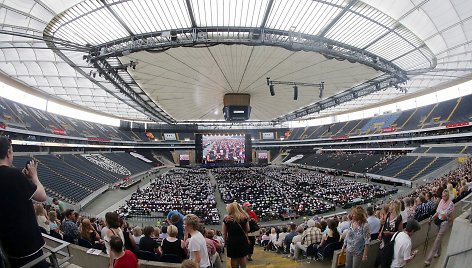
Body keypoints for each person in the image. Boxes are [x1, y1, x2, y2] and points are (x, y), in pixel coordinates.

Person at [0, 136, 48, 268]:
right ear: (8, 152)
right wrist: (34, 176)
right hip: (27, 245)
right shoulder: (13, 175)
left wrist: (24, 180)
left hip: (8, 245)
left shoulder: (13, 176)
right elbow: (42, 196)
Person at [424, 189, 454, 266]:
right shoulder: (441, 201)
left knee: (437, 240)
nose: (443, 197)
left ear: (448, 196)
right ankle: (438, 252)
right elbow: (437, 213)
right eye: (443, 195)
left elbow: (451, 218)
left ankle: (428, 260)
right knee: (438, 239)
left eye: (445, 195)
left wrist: (446, 217)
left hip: (445, 223)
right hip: (439, 222)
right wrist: (431, 218)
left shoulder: (451, 204)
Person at [223, 202, 250, 268]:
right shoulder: (244, 218)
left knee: (234, 258)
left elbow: (224, 233)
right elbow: (248, 229)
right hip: (242, 239)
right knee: (242, 256)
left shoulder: (226, 219)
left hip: (232, 240)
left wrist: (225, 241)